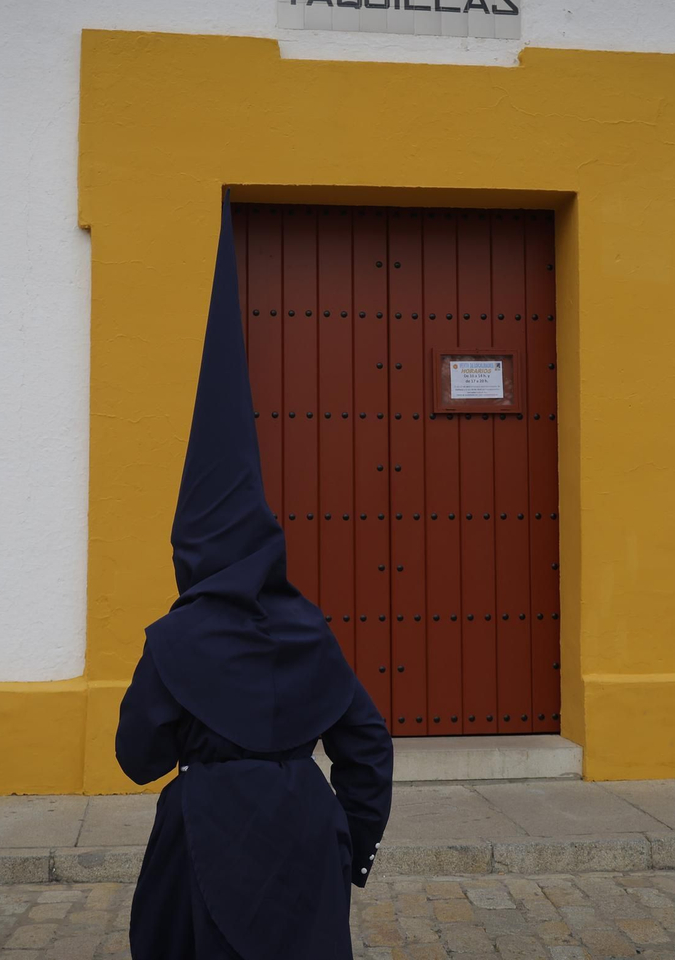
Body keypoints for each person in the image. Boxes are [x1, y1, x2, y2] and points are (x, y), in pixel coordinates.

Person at [116, 195, 394, 960]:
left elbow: (137, 759)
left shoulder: (176, 639)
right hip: (307, 833)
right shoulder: (310, 629)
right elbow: (366, 744)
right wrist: (348, 843)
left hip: (204, 836)